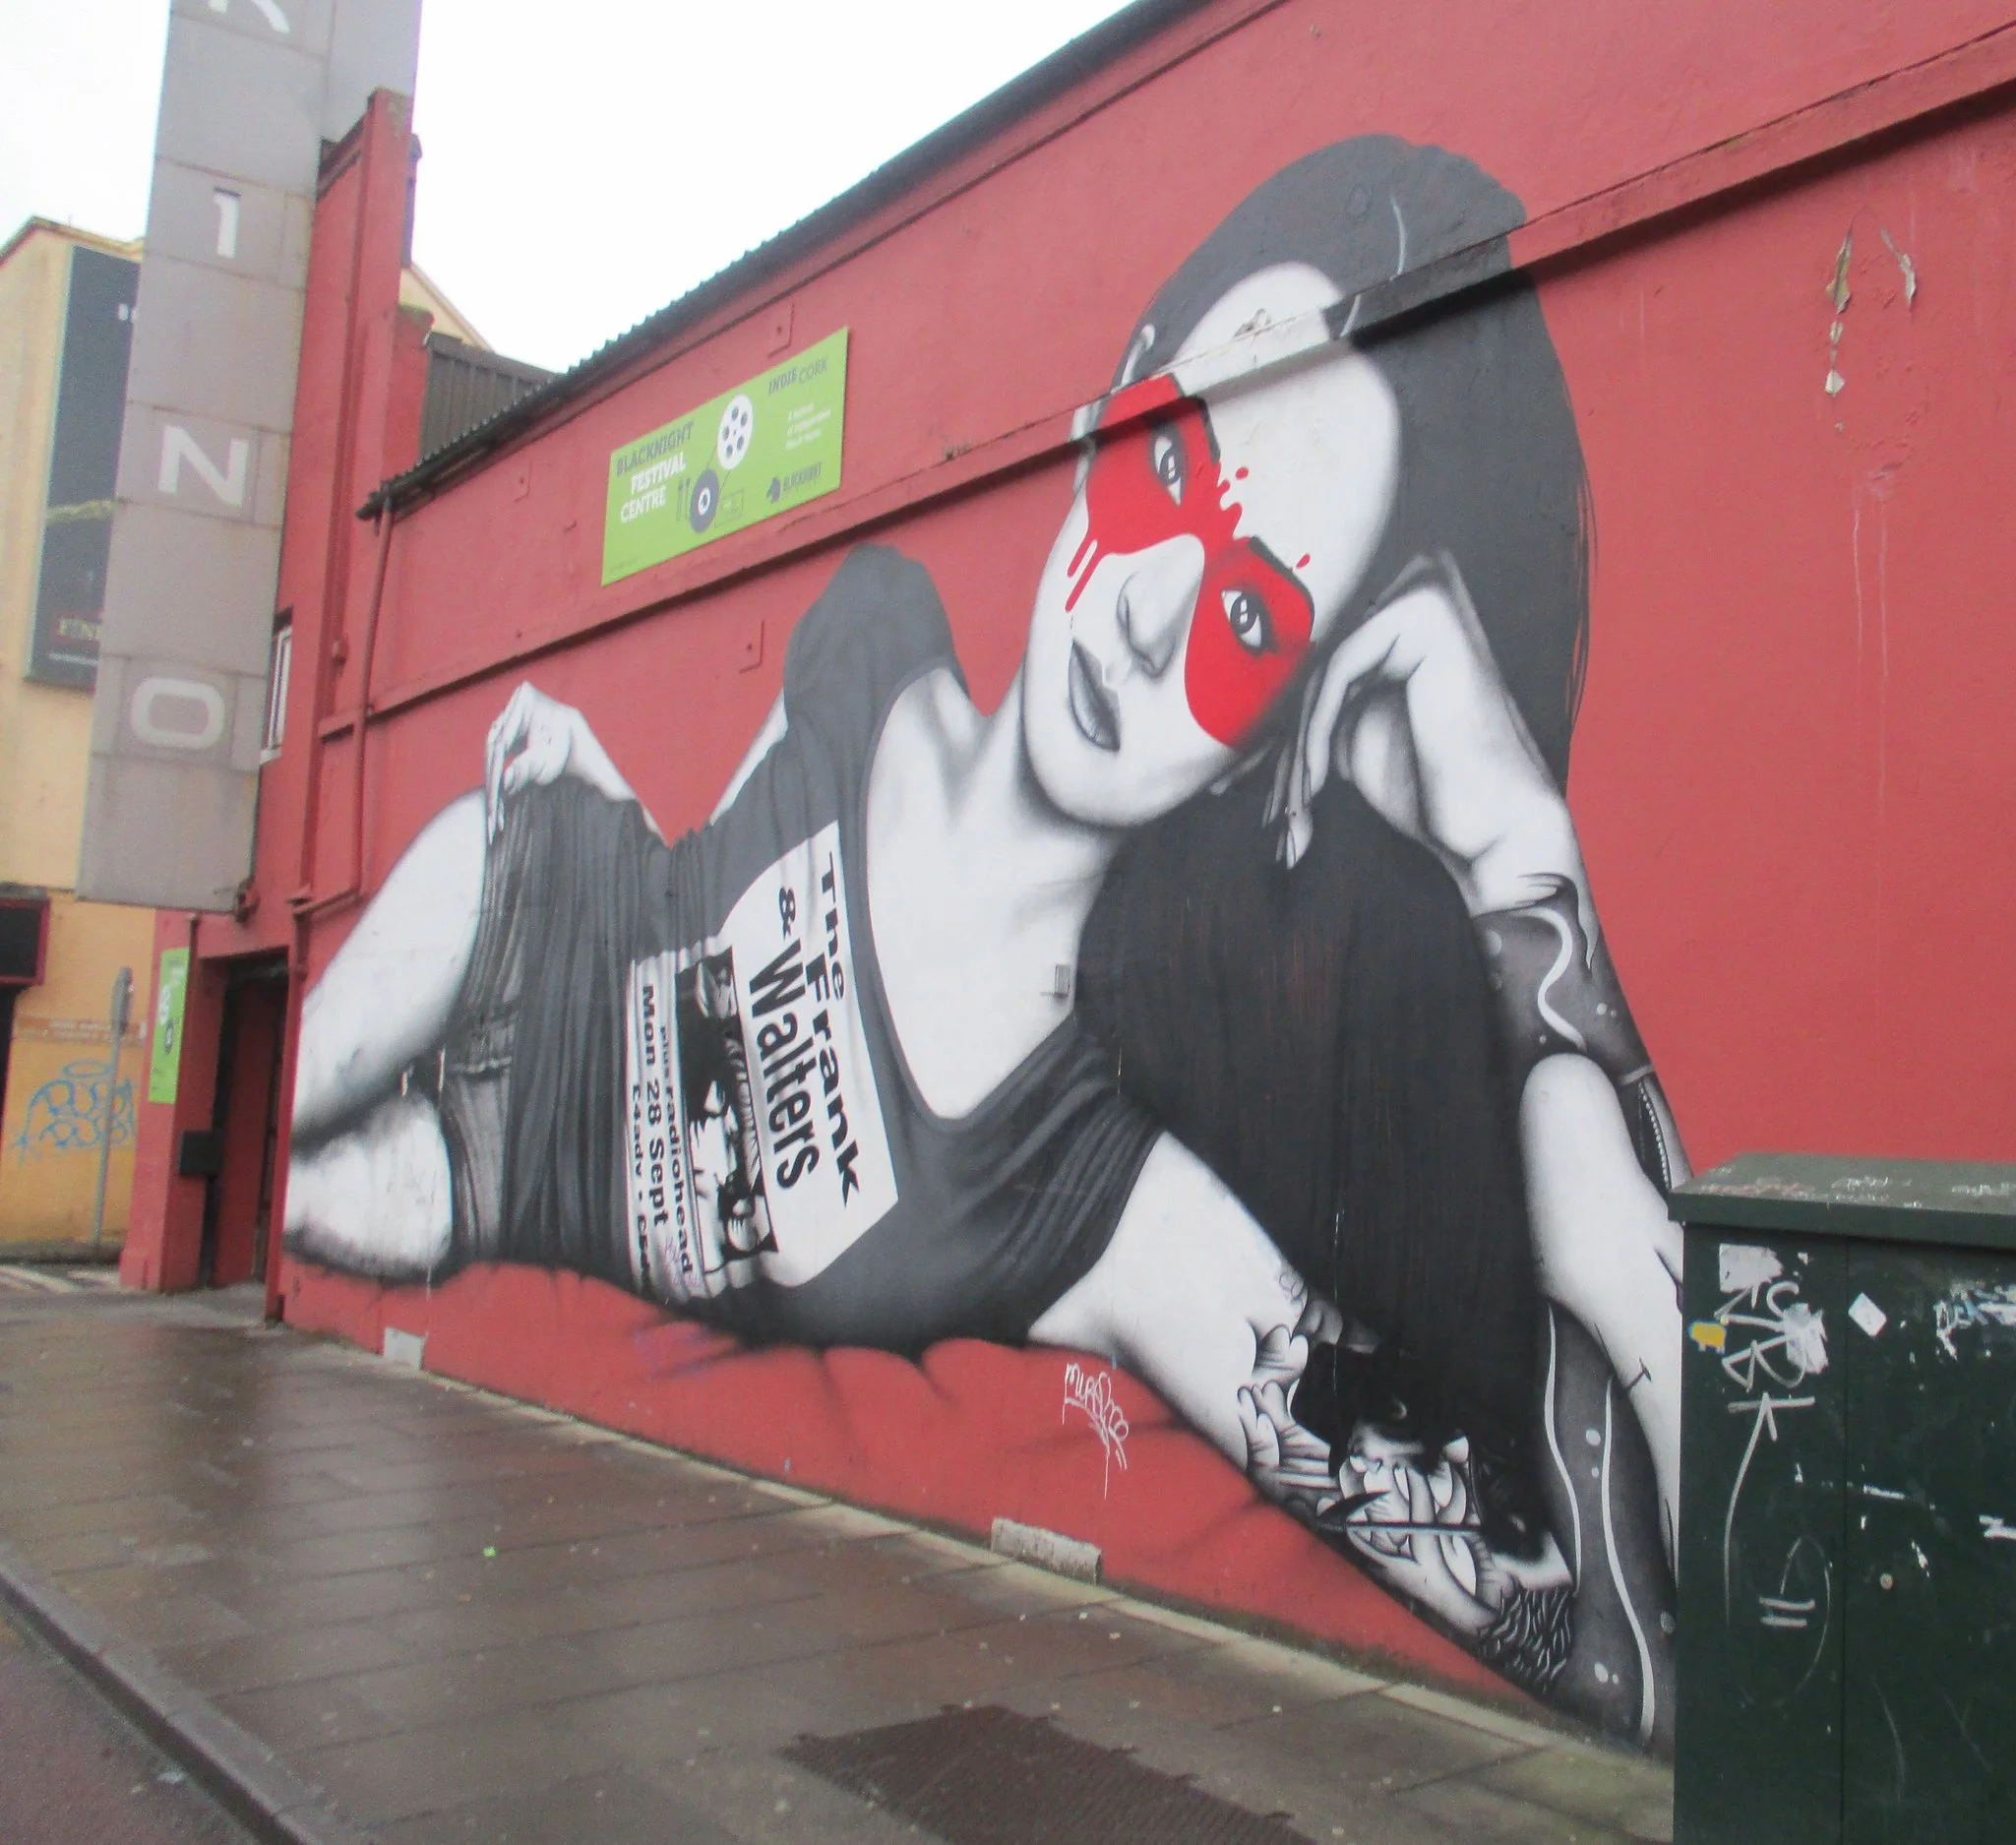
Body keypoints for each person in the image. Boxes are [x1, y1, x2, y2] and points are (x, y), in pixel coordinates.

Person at [283, 136, 1687, 1747]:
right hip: (519, 898)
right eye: (1171, 471)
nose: (1155, 612)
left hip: (491, 1180)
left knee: (335, 1195)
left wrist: (1521, 873)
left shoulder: (1100, 1196)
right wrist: (607, 809)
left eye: (1248, 621)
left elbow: (1604, 1645)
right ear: (1104, 410)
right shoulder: (872, 624)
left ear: (1271, 746)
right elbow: (708, 881)